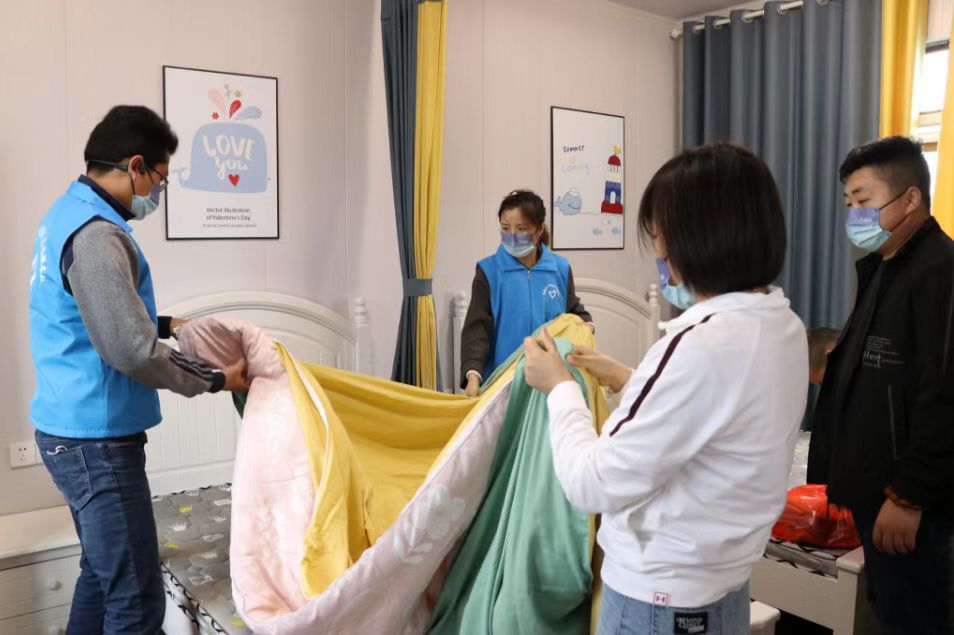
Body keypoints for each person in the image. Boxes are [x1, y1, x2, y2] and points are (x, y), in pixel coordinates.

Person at [523, 142, 808, 634]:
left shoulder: (698, 345)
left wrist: (559, 389)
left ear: (697, 239)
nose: (659, 253)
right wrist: (629, 380)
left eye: (659, 237)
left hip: (659, 604)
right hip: (723, 590)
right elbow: (713, 416)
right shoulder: (781, 325)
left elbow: (592, 482)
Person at [29, 105, 250, 634]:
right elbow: (131, 350)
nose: (157, 194)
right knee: (136, 598)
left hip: (69, 428)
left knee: (100, 574)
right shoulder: (97, 235)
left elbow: (93, 314)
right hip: (97, 442)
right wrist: (217, 378)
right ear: (135, 166)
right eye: (160, 181)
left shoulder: (64, 214)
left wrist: (168, 323)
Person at [807, 136, 954, 634]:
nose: (855, 215)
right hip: (876, 491)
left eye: (864, 201)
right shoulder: (885, 268)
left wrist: (908, 496)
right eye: (849, 203)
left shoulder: (941, 271)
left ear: (909, 199)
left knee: (913, 619)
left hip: (913, 503)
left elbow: (943, 394)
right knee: (888, 609)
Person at [459, 189, 593, 397]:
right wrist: (473, 377)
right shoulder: (489, 271)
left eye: (521, 229)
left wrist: (585, 329)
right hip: (503, 386)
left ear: (538, 231)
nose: (512, 236)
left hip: (549, 386)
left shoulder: (559, 269)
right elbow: (477, 330)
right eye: (505, 228)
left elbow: (575, 314)